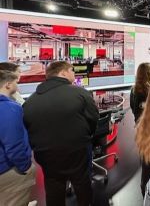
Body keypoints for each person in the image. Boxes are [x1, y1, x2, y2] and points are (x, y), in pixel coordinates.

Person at [23, 61, 99, 206]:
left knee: (53, 191)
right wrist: (86, 137)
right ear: (63, 73)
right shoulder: (80, 93)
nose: (74, 74)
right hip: (78, 152)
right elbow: (93, 119)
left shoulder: (30, 102)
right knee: (83, 187)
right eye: (72, 70)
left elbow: (29, 129)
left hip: (46, 156)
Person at [0, 70, 36, 205]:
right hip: (8, 170)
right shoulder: (9, 108)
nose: (18, 85)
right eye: (16, 82)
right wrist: (26, 167)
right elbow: (14, 146)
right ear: (8, 85)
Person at [130, 62, 150, 197]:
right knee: (149, 163)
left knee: (145, 162)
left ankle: (144, 193)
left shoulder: (134, 89)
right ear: (148, 73)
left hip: (140, 127)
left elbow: (134, 110)